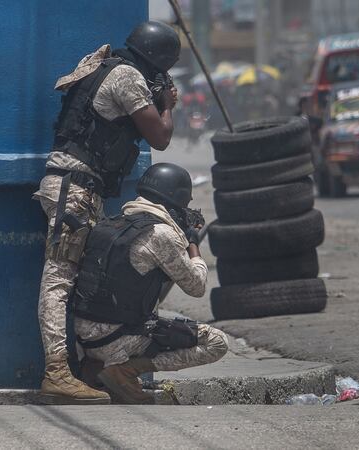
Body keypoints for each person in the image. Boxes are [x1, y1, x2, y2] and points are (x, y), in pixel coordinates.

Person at [33, 21, 181, 404]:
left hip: (78, 186)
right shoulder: (127, 77)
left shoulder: (105, 65)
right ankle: (57, 373)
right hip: (74, 188)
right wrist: (167, 105)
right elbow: (161, 138)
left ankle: (86, 369)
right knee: (60, 279)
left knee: (81, 277)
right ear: (157, 61)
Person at [72, 163, 228, 404]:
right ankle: (125, 371)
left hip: (84, 338)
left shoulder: (111, 223)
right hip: (117, 339)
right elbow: (196, 287)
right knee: (217, 342)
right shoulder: (161, 234)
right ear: (176, 199)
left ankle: (96, 369)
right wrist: (193, 244)